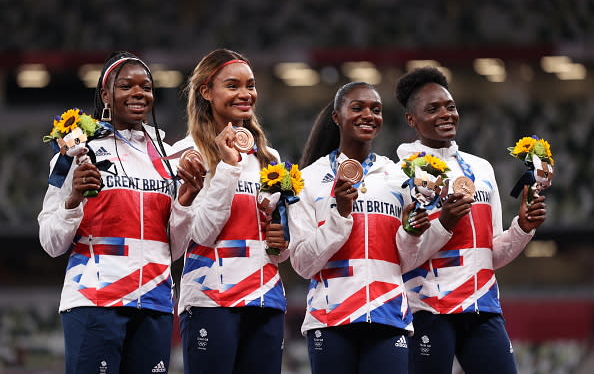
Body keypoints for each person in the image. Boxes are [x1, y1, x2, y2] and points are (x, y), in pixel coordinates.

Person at [38, 51, 191, 374]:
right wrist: (74, 198)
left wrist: (187, 202)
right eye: (126, 86)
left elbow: (173, 248)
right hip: (95, 300)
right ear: (105, 94)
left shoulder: (167, 157)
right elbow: (50, 241)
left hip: (154, 302)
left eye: (146, 87)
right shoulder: (77, 148)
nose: (139, 93)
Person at [394, 67, 547, 374]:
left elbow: (492, 253)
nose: (445, 114)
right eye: (432, 108)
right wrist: (444, 223)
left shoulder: (481, 169)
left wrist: (522, 228)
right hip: (429, 310)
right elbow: (402, 257)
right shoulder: (399, 175)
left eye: (450, 106)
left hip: (483, 308)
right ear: (412, 120)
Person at [288, 82, 434, 374]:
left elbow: (408, 260)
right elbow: (302, 264)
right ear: (336, 117)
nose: (368, 114)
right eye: (357, 107)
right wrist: (340, 215)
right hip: (330, 318)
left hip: (388, 314)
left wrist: (411, 234)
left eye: (376, 109)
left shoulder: (399, 178)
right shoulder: (307, 179)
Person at [171, 49, 289, 374]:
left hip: (265, 296)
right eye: (232, 85)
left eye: (250, 85)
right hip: (211, 298)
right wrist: (227, 167)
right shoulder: (184, 156)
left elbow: (277, 244)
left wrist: (283, 242)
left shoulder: (269, 157)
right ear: (206, 92)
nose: (245, 94)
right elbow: (203, 233)